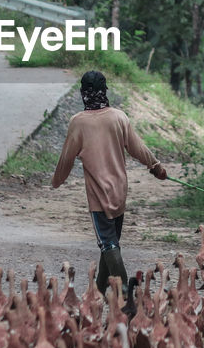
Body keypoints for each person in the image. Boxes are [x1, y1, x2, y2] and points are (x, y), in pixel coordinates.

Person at [50, 70, 167, 303]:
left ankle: (126, 296)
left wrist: (56, 181)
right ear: (105, 91)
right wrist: (155, 166)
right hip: (119, 191)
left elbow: (66, 158)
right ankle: (98, 292)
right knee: (110, 243)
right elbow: (137, 148)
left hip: (98, 195)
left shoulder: (78, 122)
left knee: (109, 244)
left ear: (83, 93)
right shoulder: (119, 117)